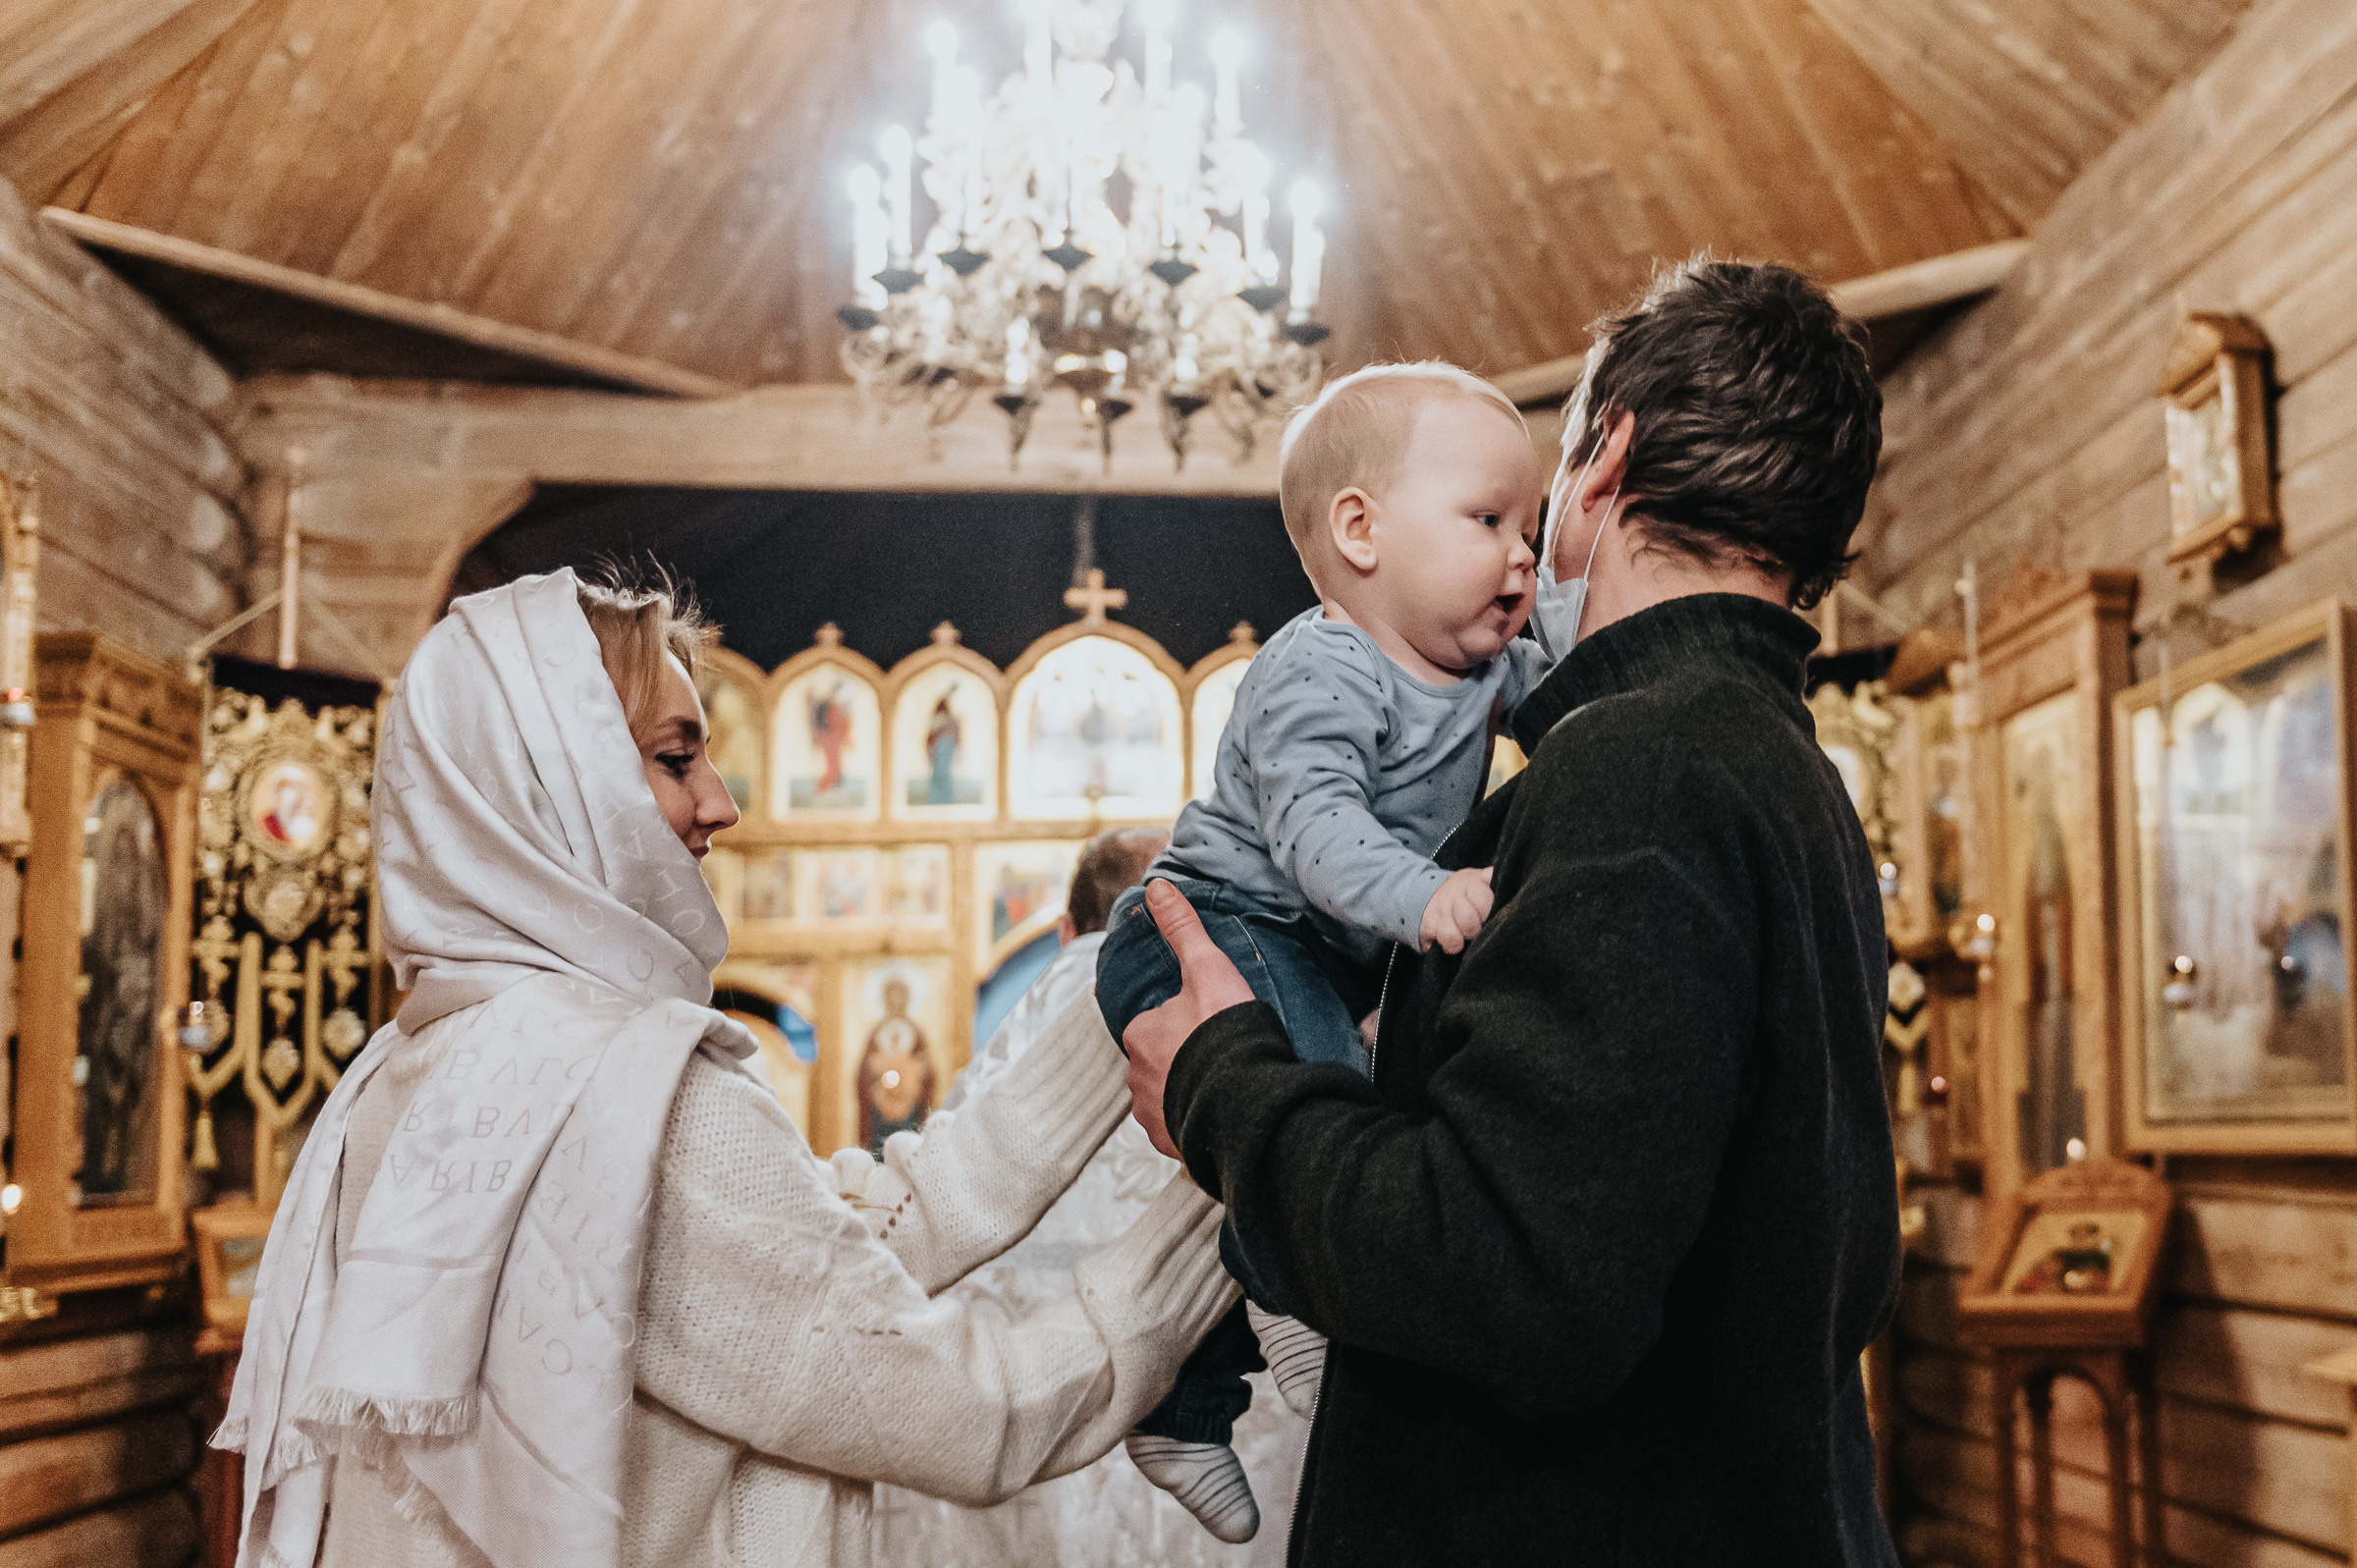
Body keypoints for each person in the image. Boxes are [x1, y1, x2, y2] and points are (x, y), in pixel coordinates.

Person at [1121, 259, 1903, 1564]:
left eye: (1534, 504)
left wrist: (1221, 1081)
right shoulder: (1777, 768)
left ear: (1609, 463)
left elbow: (1510, 1281)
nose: (1524, 551)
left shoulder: (1645, 770)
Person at [217, 568, 1234, 1568]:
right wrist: (1244, 1185)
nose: (720, 801)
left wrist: (1118, 997)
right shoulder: (626, 1098)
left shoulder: (422, 1069)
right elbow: (972, 1410)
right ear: (555, 788)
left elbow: (816, 1251)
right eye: (674, 759)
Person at [1093, 361, 1548, 1541]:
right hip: (1211, 928)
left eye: (1535, 527)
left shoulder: (1486, 657)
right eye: (1490, 520)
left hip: (1316, 948)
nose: (1522, 557)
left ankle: (1188, 1403)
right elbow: (1314, 832)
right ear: (1360, 530)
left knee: (1336, 1116)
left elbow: (1571, 688)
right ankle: (1303, 1294)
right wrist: (1432, 895)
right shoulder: (1318, 665)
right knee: (1320, 1109)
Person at [877, 826, 1307, 1566]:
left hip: (1017, 1458)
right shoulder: (1252, 1004)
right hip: (1219, 1484)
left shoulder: (1004, 1057)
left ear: (1066, 928)